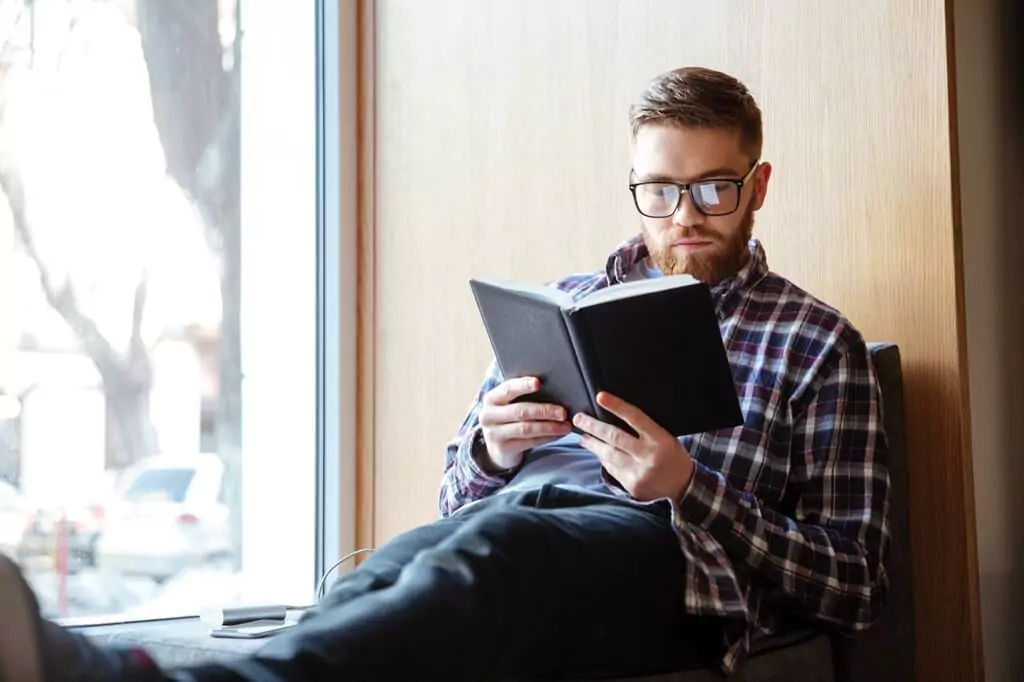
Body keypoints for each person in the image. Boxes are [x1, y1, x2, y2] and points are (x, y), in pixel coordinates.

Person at [0, 66, 890, 682]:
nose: (684, 215)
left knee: (500, 559)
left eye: (714, 188)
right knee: (376, 577)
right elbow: (458, 496)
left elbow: (853, 584)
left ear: (759, 183)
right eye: (659, 189)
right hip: (523, 513)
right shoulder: (568, 305)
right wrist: (493, 452)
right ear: (633, 185)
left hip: (673, 561)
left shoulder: (818, 342)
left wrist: (691, 489)